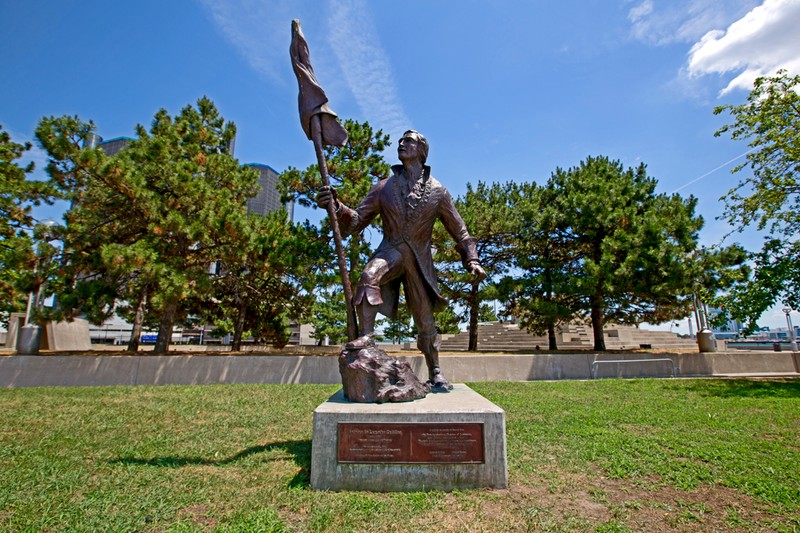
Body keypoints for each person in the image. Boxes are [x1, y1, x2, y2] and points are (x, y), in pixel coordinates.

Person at [316, 130, 486, 391]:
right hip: (392, 251)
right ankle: (367, 336)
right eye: (400, 141)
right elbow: (357, 221)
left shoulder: (438, 191)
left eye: (408, 141)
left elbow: (459, 230)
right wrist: (337, 206)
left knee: (425, 319)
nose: (401, 144)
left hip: (419, 260)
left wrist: (472, 259)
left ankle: (436, 371)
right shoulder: (384, 187)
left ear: (421, 150)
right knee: (369, 275)